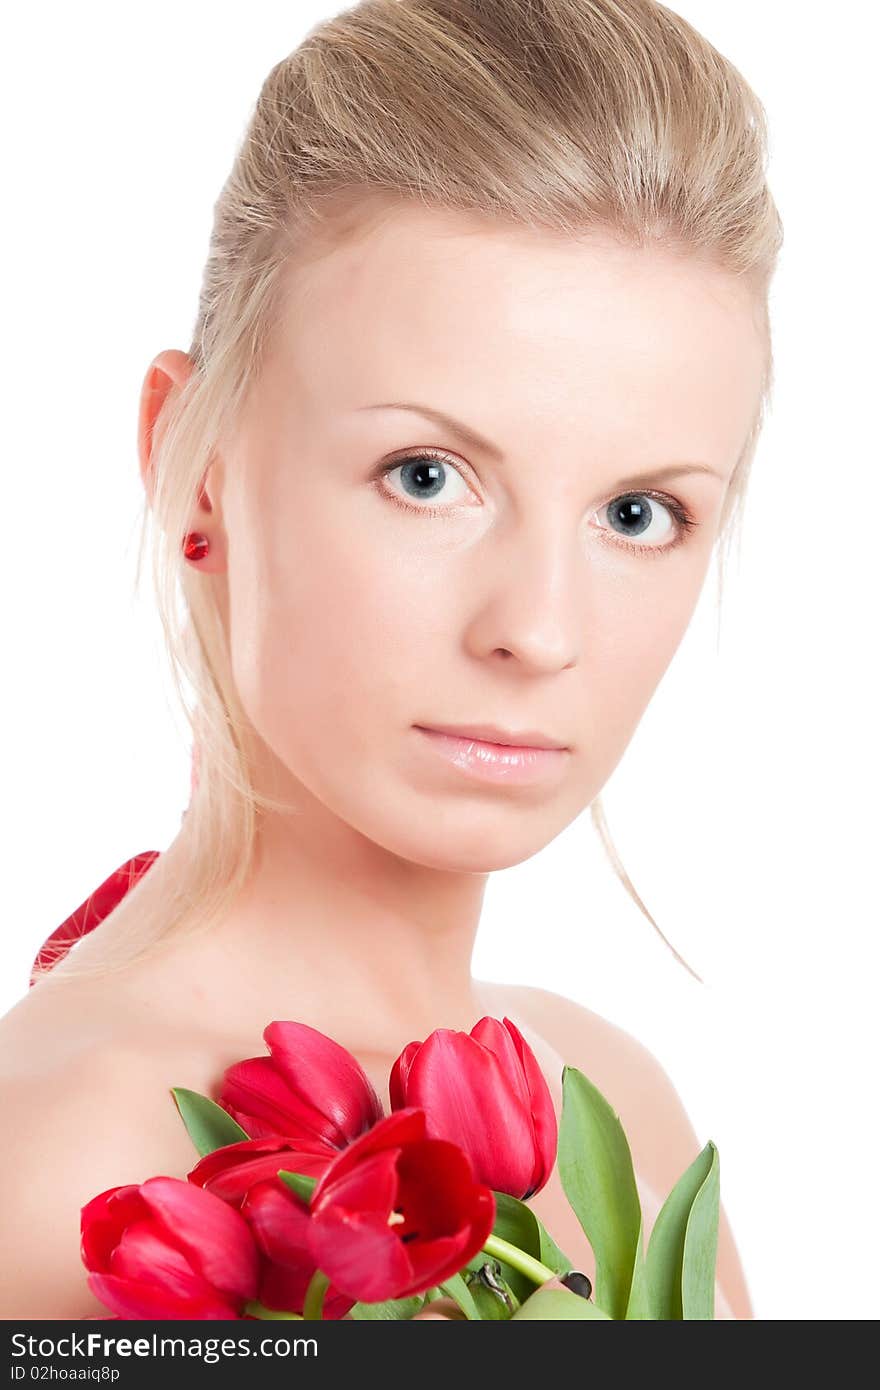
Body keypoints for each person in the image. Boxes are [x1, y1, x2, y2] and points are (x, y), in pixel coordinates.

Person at [0, 0, 781, 1319]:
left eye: (638, 513)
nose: (538, 629)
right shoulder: (63, 1164)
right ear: (194, 466)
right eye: (427, 477)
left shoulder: (625, 1107)